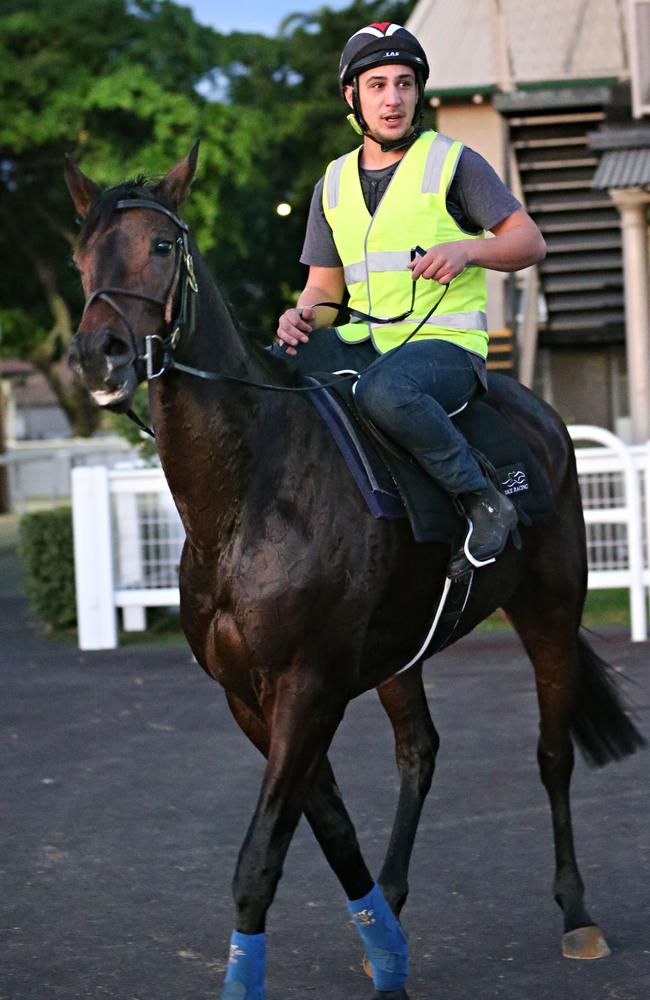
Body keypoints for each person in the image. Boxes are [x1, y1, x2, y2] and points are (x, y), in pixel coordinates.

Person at [276, 22, 546, 567]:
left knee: (384, 393)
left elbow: (529, 241)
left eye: (404, 83)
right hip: (365, 341)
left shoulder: (454, 162)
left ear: (419, 91)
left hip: (447, 349)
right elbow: (325, 289)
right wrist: (302, 316)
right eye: (376, 85)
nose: (392, 99)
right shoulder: (330, 184)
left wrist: (468, 251)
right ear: (352, 96)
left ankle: (482, 498)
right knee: (271, 375)